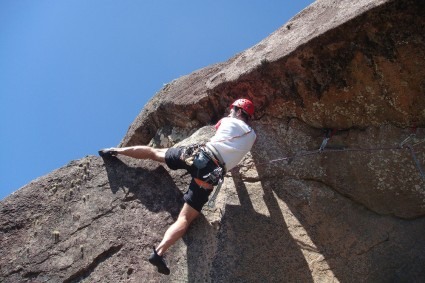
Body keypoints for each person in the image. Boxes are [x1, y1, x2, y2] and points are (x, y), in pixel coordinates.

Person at [98, 98, 256, 275]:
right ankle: (159, 252)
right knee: (185, 219)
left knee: (154, 153)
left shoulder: (228, 121)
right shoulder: (252, 137)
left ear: (239, 111)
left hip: (197, 156)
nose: (229, 112)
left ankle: (115, 151)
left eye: (233, 109)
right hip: (210, 176)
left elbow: (219, 127)